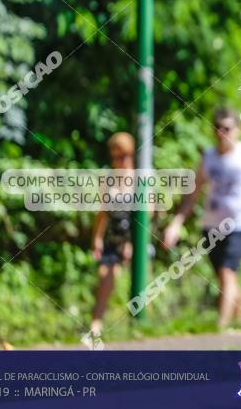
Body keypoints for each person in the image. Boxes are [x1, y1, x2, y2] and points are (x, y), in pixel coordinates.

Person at [164, 107, 241, 329]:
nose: (222, 132)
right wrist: (176, 224)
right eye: (217, 128)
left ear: (237, 130)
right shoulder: (208, 158)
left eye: (227, 128)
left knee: (227, 272)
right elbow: (192, 197)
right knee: (226, 278)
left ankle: (219, 329)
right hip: (212, 225)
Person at [90, 132, 137, 335]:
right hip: (113, 235)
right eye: (117, 157)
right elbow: (103, 213)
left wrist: (132, 243)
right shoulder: (108, 180)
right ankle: (96, 325)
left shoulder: (141, 179)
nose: (122, 161)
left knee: (143, 280)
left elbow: (150, 214)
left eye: (126, 155)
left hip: (136, 234)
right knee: (105, 277)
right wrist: (97, 238)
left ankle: (141, 324)